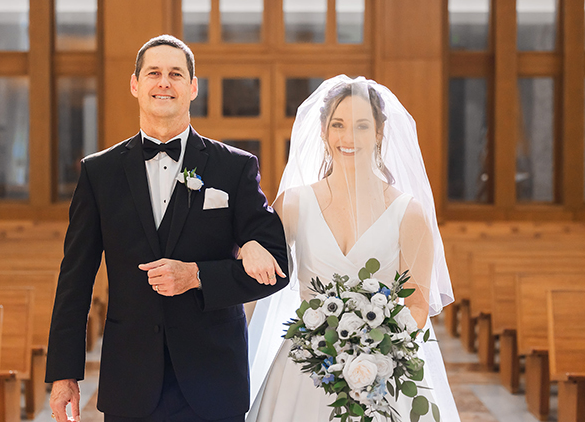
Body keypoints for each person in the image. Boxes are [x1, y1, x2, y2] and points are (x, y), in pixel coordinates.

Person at [45, 34, 289, 422]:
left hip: (214, 377)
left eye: (176, 74)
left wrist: (197, 276)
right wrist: (63, 374)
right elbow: (75, 280)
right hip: (131, 379)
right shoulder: (98, 173)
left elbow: (278, 270)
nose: (164, 82)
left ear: (193, 87)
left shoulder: (235, 167)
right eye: (154, 73)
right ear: (135, 84)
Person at [238, 75, 460, 421]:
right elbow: (259, 272)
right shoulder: (295, 203)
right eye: (338, 125)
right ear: (325, 132)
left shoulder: (408, 213)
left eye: (360, 126)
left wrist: (373, 344)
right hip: (304, 367)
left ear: (379, 132)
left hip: (379, 369)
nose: (348, 137)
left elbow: (417, 304)